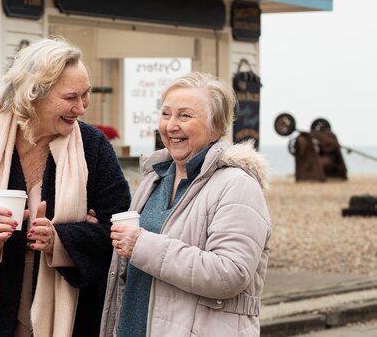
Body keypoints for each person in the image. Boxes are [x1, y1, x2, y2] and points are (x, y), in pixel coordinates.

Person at [0, 37, 131, 337]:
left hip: (72, 320)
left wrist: (60, 241)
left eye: (86, 95)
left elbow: (119, 230)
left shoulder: (93, 147)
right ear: (34, 93)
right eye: (70, 97)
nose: (81, 108)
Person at [100, 72, 271, 337]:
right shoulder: (155, 178)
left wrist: (142, 245)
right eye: (166, 114)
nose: (171, 126)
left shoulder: (237, 184)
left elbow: (231, 273)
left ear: (215, 127)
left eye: (184, 116)